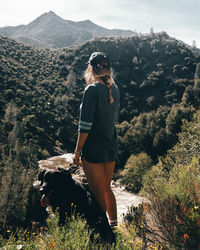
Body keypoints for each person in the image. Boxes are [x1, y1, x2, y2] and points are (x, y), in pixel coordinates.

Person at [73, 51, 120, 231]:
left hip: (93, 149)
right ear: (108, 69)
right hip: (111, 146)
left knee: (97, 192)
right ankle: (114, 228)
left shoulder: (91, 90)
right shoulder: (114, 89)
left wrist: (77, 151)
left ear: (91, 69)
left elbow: (84, 126)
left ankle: (103, 234)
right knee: (107, 188)